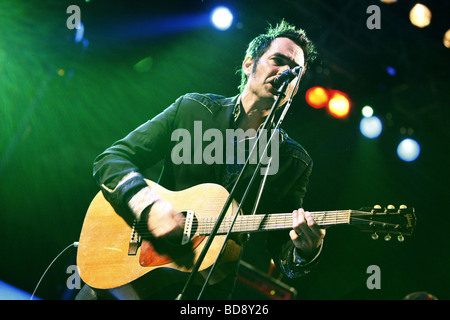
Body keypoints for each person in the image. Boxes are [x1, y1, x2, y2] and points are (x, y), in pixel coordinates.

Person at [76, 20, 326, 300]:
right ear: (248, 64)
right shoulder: (193, 109)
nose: (285, 73)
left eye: (295, 71)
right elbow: (111, 160)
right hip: (127, 276)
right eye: (277, 61)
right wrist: (149, 207)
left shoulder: (293, 160)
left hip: (204, 292)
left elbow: (281, 252)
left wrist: (306, 251)